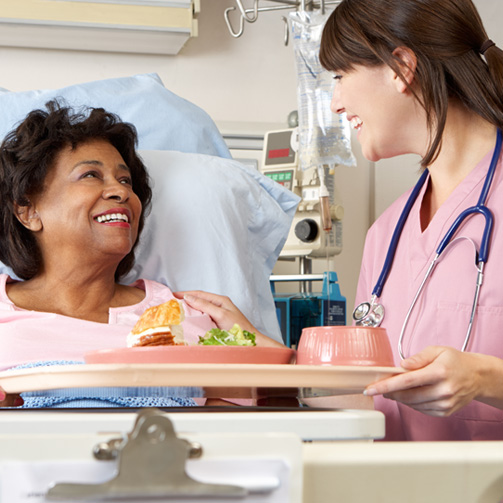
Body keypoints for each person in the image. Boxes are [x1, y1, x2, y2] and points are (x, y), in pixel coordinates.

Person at [0, 100, 284, 408]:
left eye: (125, 181)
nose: (121, 192)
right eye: (91, 175)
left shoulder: (183, 316)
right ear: (27, 211)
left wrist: (256, 348)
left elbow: (242, 436)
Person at [319, 0, 503, 441]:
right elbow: (371, 387)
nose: (335, 103)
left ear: (401, 66)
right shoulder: (387, 233)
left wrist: (486, 379)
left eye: (341, 76)